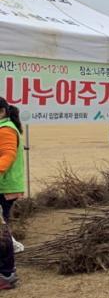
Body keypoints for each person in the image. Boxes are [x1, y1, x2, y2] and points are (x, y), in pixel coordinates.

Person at [0, 99, 23, 288]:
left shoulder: (6, 129)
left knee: (1, 231)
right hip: (5, 185)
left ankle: (6, 274)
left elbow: (8, 155)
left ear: (1, 112)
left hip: (4, 186)